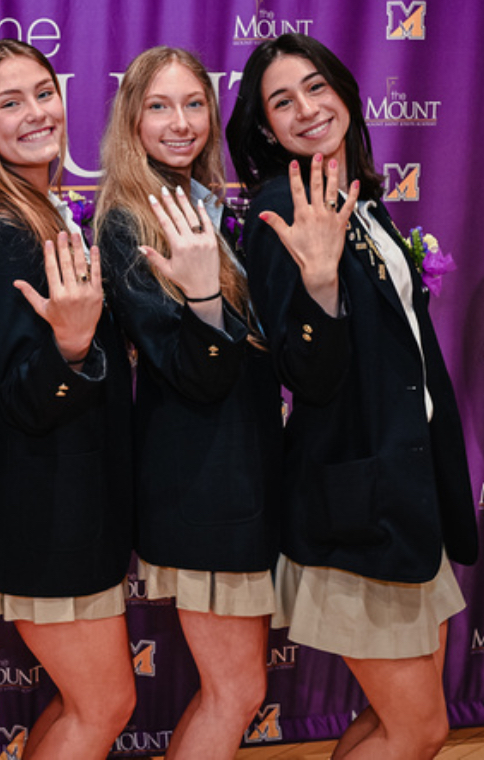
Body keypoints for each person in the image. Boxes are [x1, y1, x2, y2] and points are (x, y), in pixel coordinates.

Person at [226, 33, 479, 760]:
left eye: (315, 87)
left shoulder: (355, 196)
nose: (305, 109)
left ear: (344, 90)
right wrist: (319, 285)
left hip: (405, 495)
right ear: (265, 127)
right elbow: (308, 377)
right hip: (358, 506)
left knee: (392, 722)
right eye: (281, 101)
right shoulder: (285, 209)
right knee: (418, 729)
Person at [0, 39, 135, 760]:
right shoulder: (0, 229)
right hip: (46, 511)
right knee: (105, 704)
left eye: (43, 93)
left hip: (67, 502)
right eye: (9, 102)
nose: (35, 113)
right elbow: (24, 395)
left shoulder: (37, 209)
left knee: (91, 704)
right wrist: (76, 348)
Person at [95, 46, 282, 759]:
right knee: (236, 692)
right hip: (202, 487)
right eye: (160, 107)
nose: (180, 123)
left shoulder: (202, 203)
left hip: (237, 475)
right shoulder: (128, 222)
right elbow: (192, 372)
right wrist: (204, 293)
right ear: (131, 120)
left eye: (194, 104)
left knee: (238, 690)